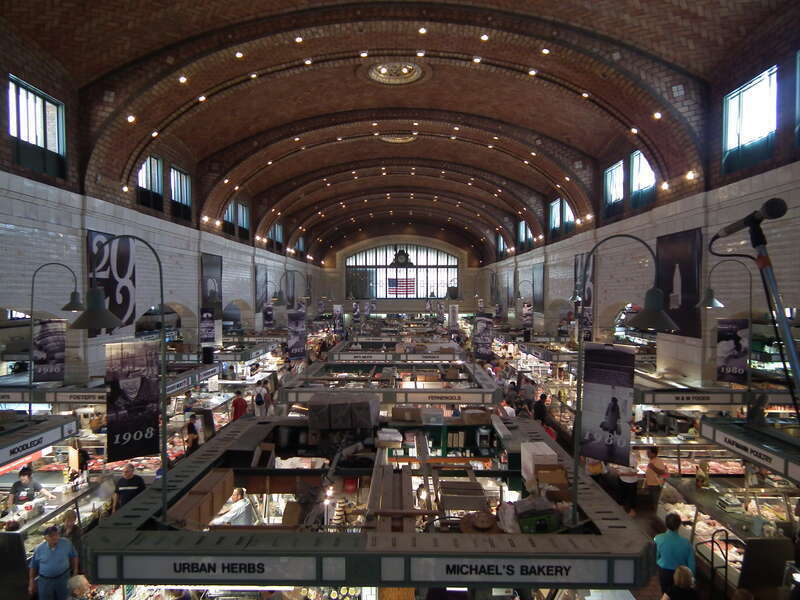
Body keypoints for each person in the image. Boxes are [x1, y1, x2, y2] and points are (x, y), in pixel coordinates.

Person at [29, 525, 78, 600]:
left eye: (56, 534)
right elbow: (33, 566)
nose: (55, 537)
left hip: (63, 578)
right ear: (45, 538)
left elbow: (74, 556)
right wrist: (31, 582)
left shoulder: (66, 543)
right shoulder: (39, 549)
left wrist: (75, 572)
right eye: (51, 536)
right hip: (45, 581)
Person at [654, 513, 695, 594]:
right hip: (681, 574)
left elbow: (655, 556)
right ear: (679, 525)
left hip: (664, 571)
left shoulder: (658, 539)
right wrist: (692, 579)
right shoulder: (686, 543)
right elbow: (691, 564)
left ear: (666, 524)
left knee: (665, 593)